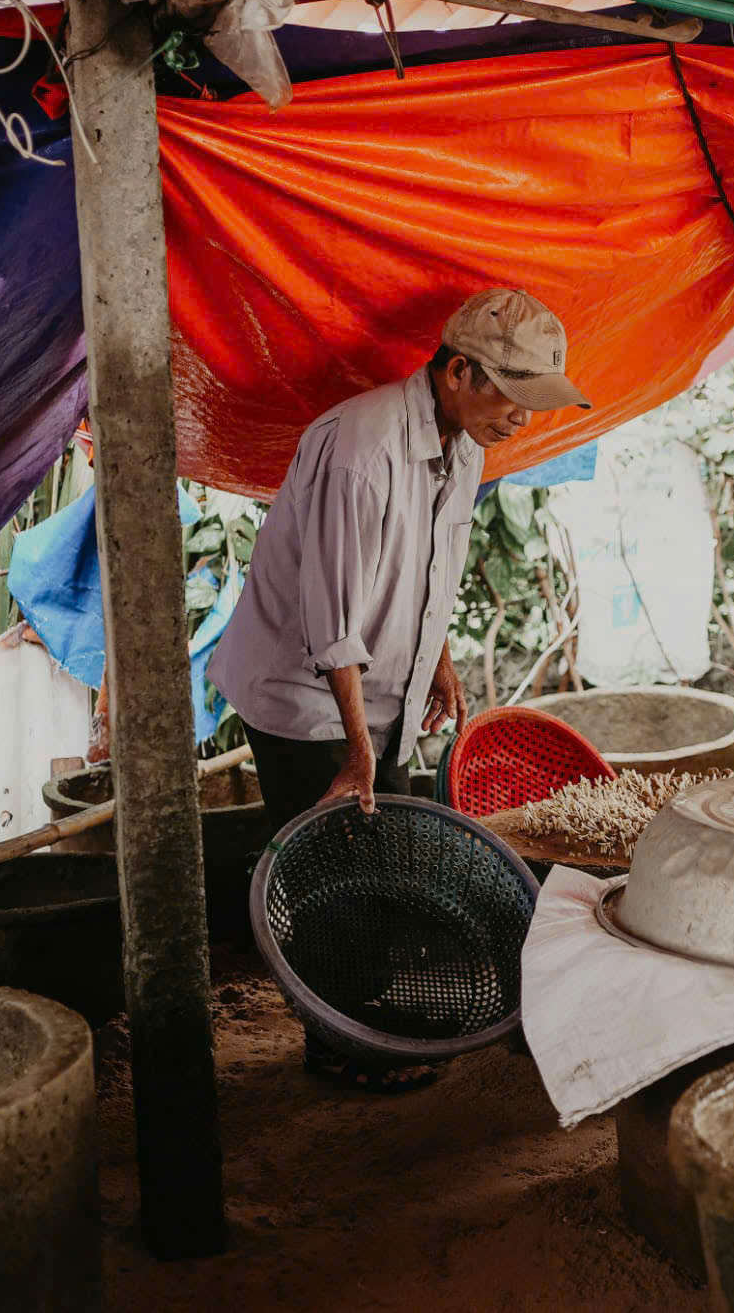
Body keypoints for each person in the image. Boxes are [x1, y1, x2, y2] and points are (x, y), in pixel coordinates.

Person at [206, 288, 592, 1087]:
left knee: (379, 860)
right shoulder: (364, 447)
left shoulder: (467, 450)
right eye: (512, 397)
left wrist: (438, 662)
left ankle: (368, 1019)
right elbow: (332, 619)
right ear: (457, 372)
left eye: (533, 403)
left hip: (375, 689)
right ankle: (337, 1046)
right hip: (306, 693)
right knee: (333, 872)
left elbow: (421, 577)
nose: (522, 419)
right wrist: (357, 748)